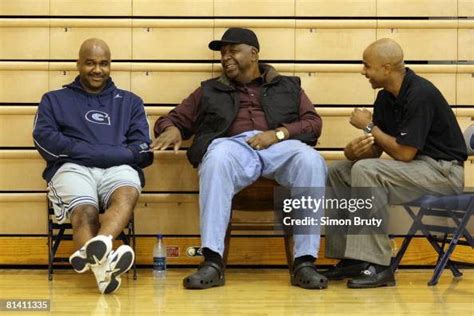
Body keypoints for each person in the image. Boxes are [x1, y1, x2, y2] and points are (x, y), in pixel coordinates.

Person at [152, 28, 328, 289]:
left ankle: (304, 262)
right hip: (233, 148)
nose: (225, 58)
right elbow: (171, 119)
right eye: (222, 54)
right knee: (216, 158)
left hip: (280, 146)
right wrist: (172, 129)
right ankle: (212, 261)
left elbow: (313, 124)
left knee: (312, 161)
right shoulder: (209, 90)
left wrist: (277, 134)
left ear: (254, 54)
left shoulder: (288, 86)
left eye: (232, 51)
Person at [323, 38, 467, 288]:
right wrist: (353, 152)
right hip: (414, 170)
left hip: (443, 173)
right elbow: (378, 151)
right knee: (339, 171)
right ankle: (352, 257)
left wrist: (369, 126)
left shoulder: (421, 94)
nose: (363, 71)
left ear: (386, 68)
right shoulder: (385, 99)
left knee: (367, 171)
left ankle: (379, 265)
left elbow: (404, 154)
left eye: (367, 66)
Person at [33, 38, 153, 294]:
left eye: (103, 63)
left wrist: (86, 151)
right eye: (90, 63)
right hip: (72, 169)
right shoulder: (54, 100)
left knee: (127, 193)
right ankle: (105, 262)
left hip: (116, 169)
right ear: (78, 64)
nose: (97, 70)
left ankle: (95, 253)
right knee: (85, 210)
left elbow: (143, 149)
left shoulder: (131, 102)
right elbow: (45, 140)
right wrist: (110, 153)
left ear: (110, 66)